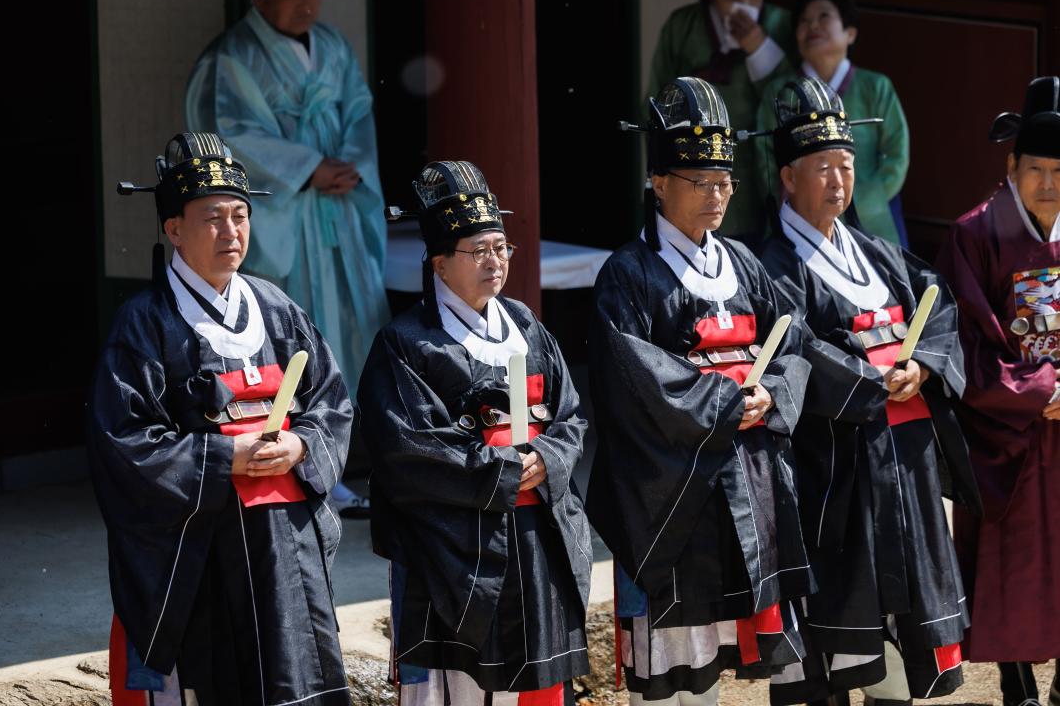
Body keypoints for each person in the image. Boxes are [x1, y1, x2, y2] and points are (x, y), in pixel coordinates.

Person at [89, 132, 354, 705]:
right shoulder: (144, 324)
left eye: (241, 215)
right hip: (201, 548)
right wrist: (224, 456)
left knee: (294, 677)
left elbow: (331, 402)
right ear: (174, 229)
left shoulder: (278, 308)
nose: (231, 232)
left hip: (284, 544)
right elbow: (124, 442)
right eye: (212, 218)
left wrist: (302, 447)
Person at [588, 76, 813, 705]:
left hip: (746, 477)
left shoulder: (743, 262)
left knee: (719, 651)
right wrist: (722, 401)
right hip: (670, 492)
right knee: (671, 670)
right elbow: (631, 376)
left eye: (725, 182)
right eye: (701, 183)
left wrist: (770, 392)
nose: (717, 196)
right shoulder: (626, 275)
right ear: (659, 184)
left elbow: (789, 343)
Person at [756, 78, 979, 706]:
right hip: (836, 471)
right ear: (787, 178)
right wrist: (872, 380)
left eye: (846, 166)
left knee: (900, 637)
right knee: (838, 634)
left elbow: (936, 309)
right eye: (821, 168)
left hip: (903, 459)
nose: (837, 181)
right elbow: (792, 345)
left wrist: (926, 368)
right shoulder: (773, 266)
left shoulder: (878, 253)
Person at [358, 161, 593, 704]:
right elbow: (408, 449)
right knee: (459, 684)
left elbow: (570, 415)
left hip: (537, 530)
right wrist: (510, 469)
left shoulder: (526, 324)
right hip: (456, 546)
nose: (495, 261)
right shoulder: (406, 343)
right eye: (478, 250)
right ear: (439, 264)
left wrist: (548, 458)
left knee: (536, 676)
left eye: (501, 247)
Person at [186, 0, 386, 518]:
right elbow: (234, 134)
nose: (307, 4)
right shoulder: (234, 57)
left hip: (335, 211)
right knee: (292, 336)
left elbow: (358, 112)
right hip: (289, 219)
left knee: (350, 330)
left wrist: (346, 165)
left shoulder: (335, 47)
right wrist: (307, 168)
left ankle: (350, 458)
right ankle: (303, 465)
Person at [934, 75, 1060, 706]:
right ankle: (1016, 683)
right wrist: (1041, 392)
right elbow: (969, 343)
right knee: (1010, 558)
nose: (1048, 184)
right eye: (1036, 169)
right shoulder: (975, 234)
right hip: (1010, 427)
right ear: (1012, 165)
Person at [755, 0, 910, 248]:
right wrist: (794, 195)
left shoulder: (875, 86)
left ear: (850, 33)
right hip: (799, 217)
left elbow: (897, 154)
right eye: (804, 21)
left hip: (871, 218)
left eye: (823, 16)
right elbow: (765, 156)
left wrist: (866, 196)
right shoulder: (779, 92)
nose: (812, 25)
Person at [649, 0, 795, 247]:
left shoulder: (783, 23)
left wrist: (760, 48)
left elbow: (792, 97)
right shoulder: (684, 25)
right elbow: (658, 102)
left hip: (761, 163)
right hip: (694, 162)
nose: (743, 5)